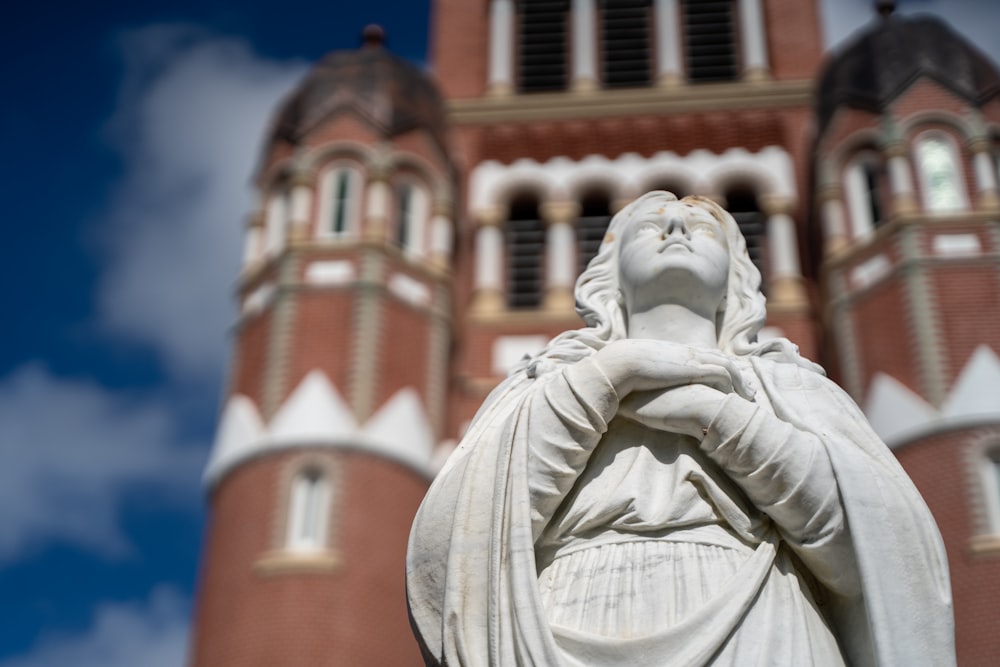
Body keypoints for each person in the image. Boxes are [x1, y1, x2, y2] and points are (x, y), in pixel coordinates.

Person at [406, 192, 954, 666]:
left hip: (762, 622)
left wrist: (715, 416)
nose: (673, 229)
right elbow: (455, 540)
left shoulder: (789, 387)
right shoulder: (542, 385)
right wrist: (605, 380)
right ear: (609, 276)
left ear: (736, 276)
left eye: (701, 228)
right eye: (649, 226)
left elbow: (881, 547)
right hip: (563, 623)